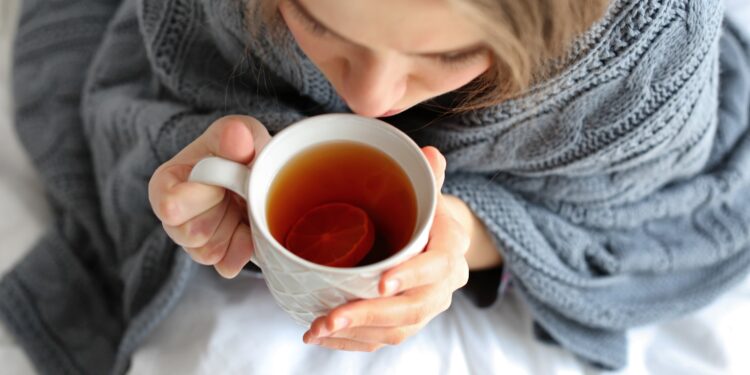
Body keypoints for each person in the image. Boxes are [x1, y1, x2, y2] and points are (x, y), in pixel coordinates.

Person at [3, 0, 749, 373]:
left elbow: (656, 213)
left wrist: (475, 238)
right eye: (317, 19)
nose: (371, 99)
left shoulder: (644, 54)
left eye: (449, 53)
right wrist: (181, 159)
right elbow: (142, 82)